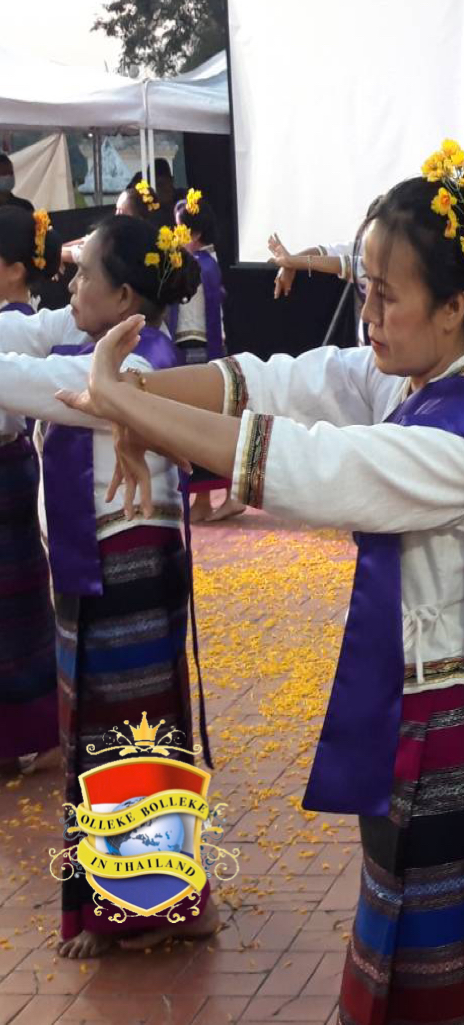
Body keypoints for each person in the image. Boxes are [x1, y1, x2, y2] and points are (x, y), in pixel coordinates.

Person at [70, 141, 464, 1013]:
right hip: (415, 719)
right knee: (403, 950)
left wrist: (131, 402)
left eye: (384, 294)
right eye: (362, 287)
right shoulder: (410, 377)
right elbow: (276, 383)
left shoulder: (462, 441)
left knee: (427, 969)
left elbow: (305, 463)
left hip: (443, 734)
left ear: (451, 308)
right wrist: (139, 390)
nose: (365, 311)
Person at [0, 214, 212, 958]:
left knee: (130, 739)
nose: (71, 282)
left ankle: (144, 908)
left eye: (86, 273)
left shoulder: (126, 367)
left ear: (124, 295)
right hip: (103, 569)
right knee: (103, 736)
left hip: (129, 571)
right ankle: (133, 902)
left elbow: (22, 379)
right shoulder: (100, 348)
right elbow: (27, 345)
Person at [0, 207, 60, 775]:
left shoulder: (14, 325)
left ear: (16, 269)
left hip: (5, 468)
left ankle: (28, 728)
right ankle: (32, 727)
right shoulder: (25, 319)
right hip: (14, 465)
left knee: (12, 604)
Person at [166, 189, 244, 521]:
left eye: (180, 229)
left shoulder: (199, 266)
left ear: (195, 233)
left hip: (197, 347)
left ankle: (220, 496)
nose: (175, 235)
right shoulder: (203, 263)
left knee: (199, 425)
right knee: (204, 423)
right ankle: (206, 499)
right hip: (199, 345)